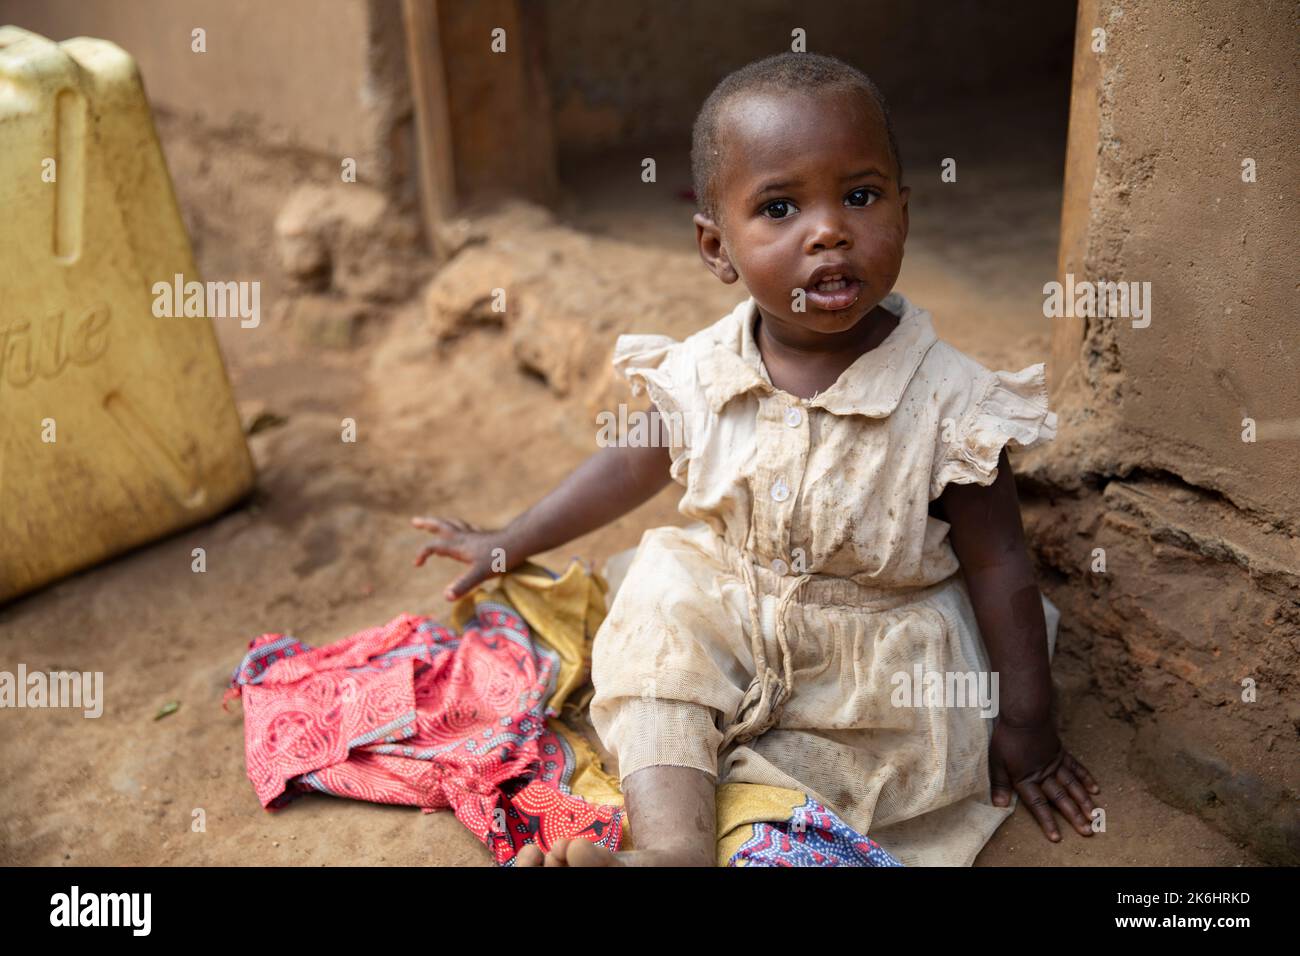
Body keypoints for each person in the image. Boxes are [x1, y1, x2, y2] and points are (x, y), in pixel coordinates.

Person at [412, 51, 1100, 866]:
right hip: (726, 606)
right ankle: (671, 850)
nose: (829, 230)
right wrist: (511, 538)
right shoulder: (706, 367)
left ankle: (733, 832)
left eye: (861, 196)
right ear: (716, 248)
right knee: (659, 635)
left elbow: (1000, 564)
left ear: (904, 213)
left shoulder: (951, 404)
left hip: (869, 660)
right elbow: (632, 462)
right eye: (779, 207)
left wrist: (1029, 724)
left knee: (834, 771)